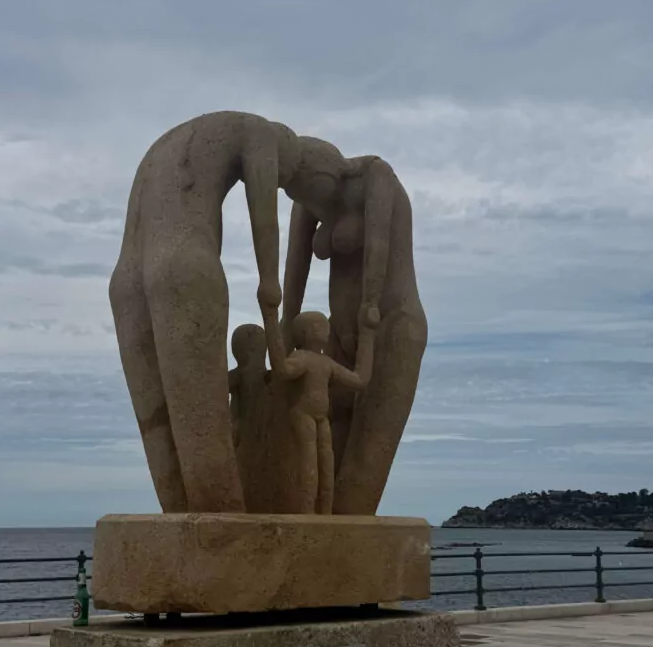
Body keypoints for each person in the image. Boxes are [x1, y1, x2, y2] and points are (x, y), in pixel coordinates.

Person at [109, 112, 354, 513]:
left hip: (126, 279)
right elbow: (263, 213)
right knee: (203, 425)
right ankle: (224, 535)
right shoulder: (260, 133)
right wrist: (269, 281)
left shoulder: (170, 141)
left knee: (159, 419)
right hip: (186, 266)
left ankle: (181, 525)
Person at [282, 154, 427, 514]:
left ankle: (346, 566)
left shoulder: (373, 175)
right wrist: (285, 324)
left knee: (359, 482)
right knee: (317, 470)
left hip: (390, 325)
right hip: (339, 336)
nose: (312, 202)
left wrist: (371, 307)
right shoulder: (304, 199)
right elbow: (295, 263)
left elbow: (377, 244)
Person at [261, 309, 376, 514]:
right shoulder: (302, 357)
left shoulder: (326, 363)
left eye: (325, 327)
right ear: (303, 333)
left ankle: (324, 511)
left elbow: (360, 380)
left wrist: (368, 335)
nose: (324, 331)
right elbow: (283, 370)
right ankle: (307, 510)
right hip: (302, 413)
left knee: (326, 465)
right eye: (317, 326)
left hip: (321, 417)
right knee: (308, 462)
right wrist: (270, 320)